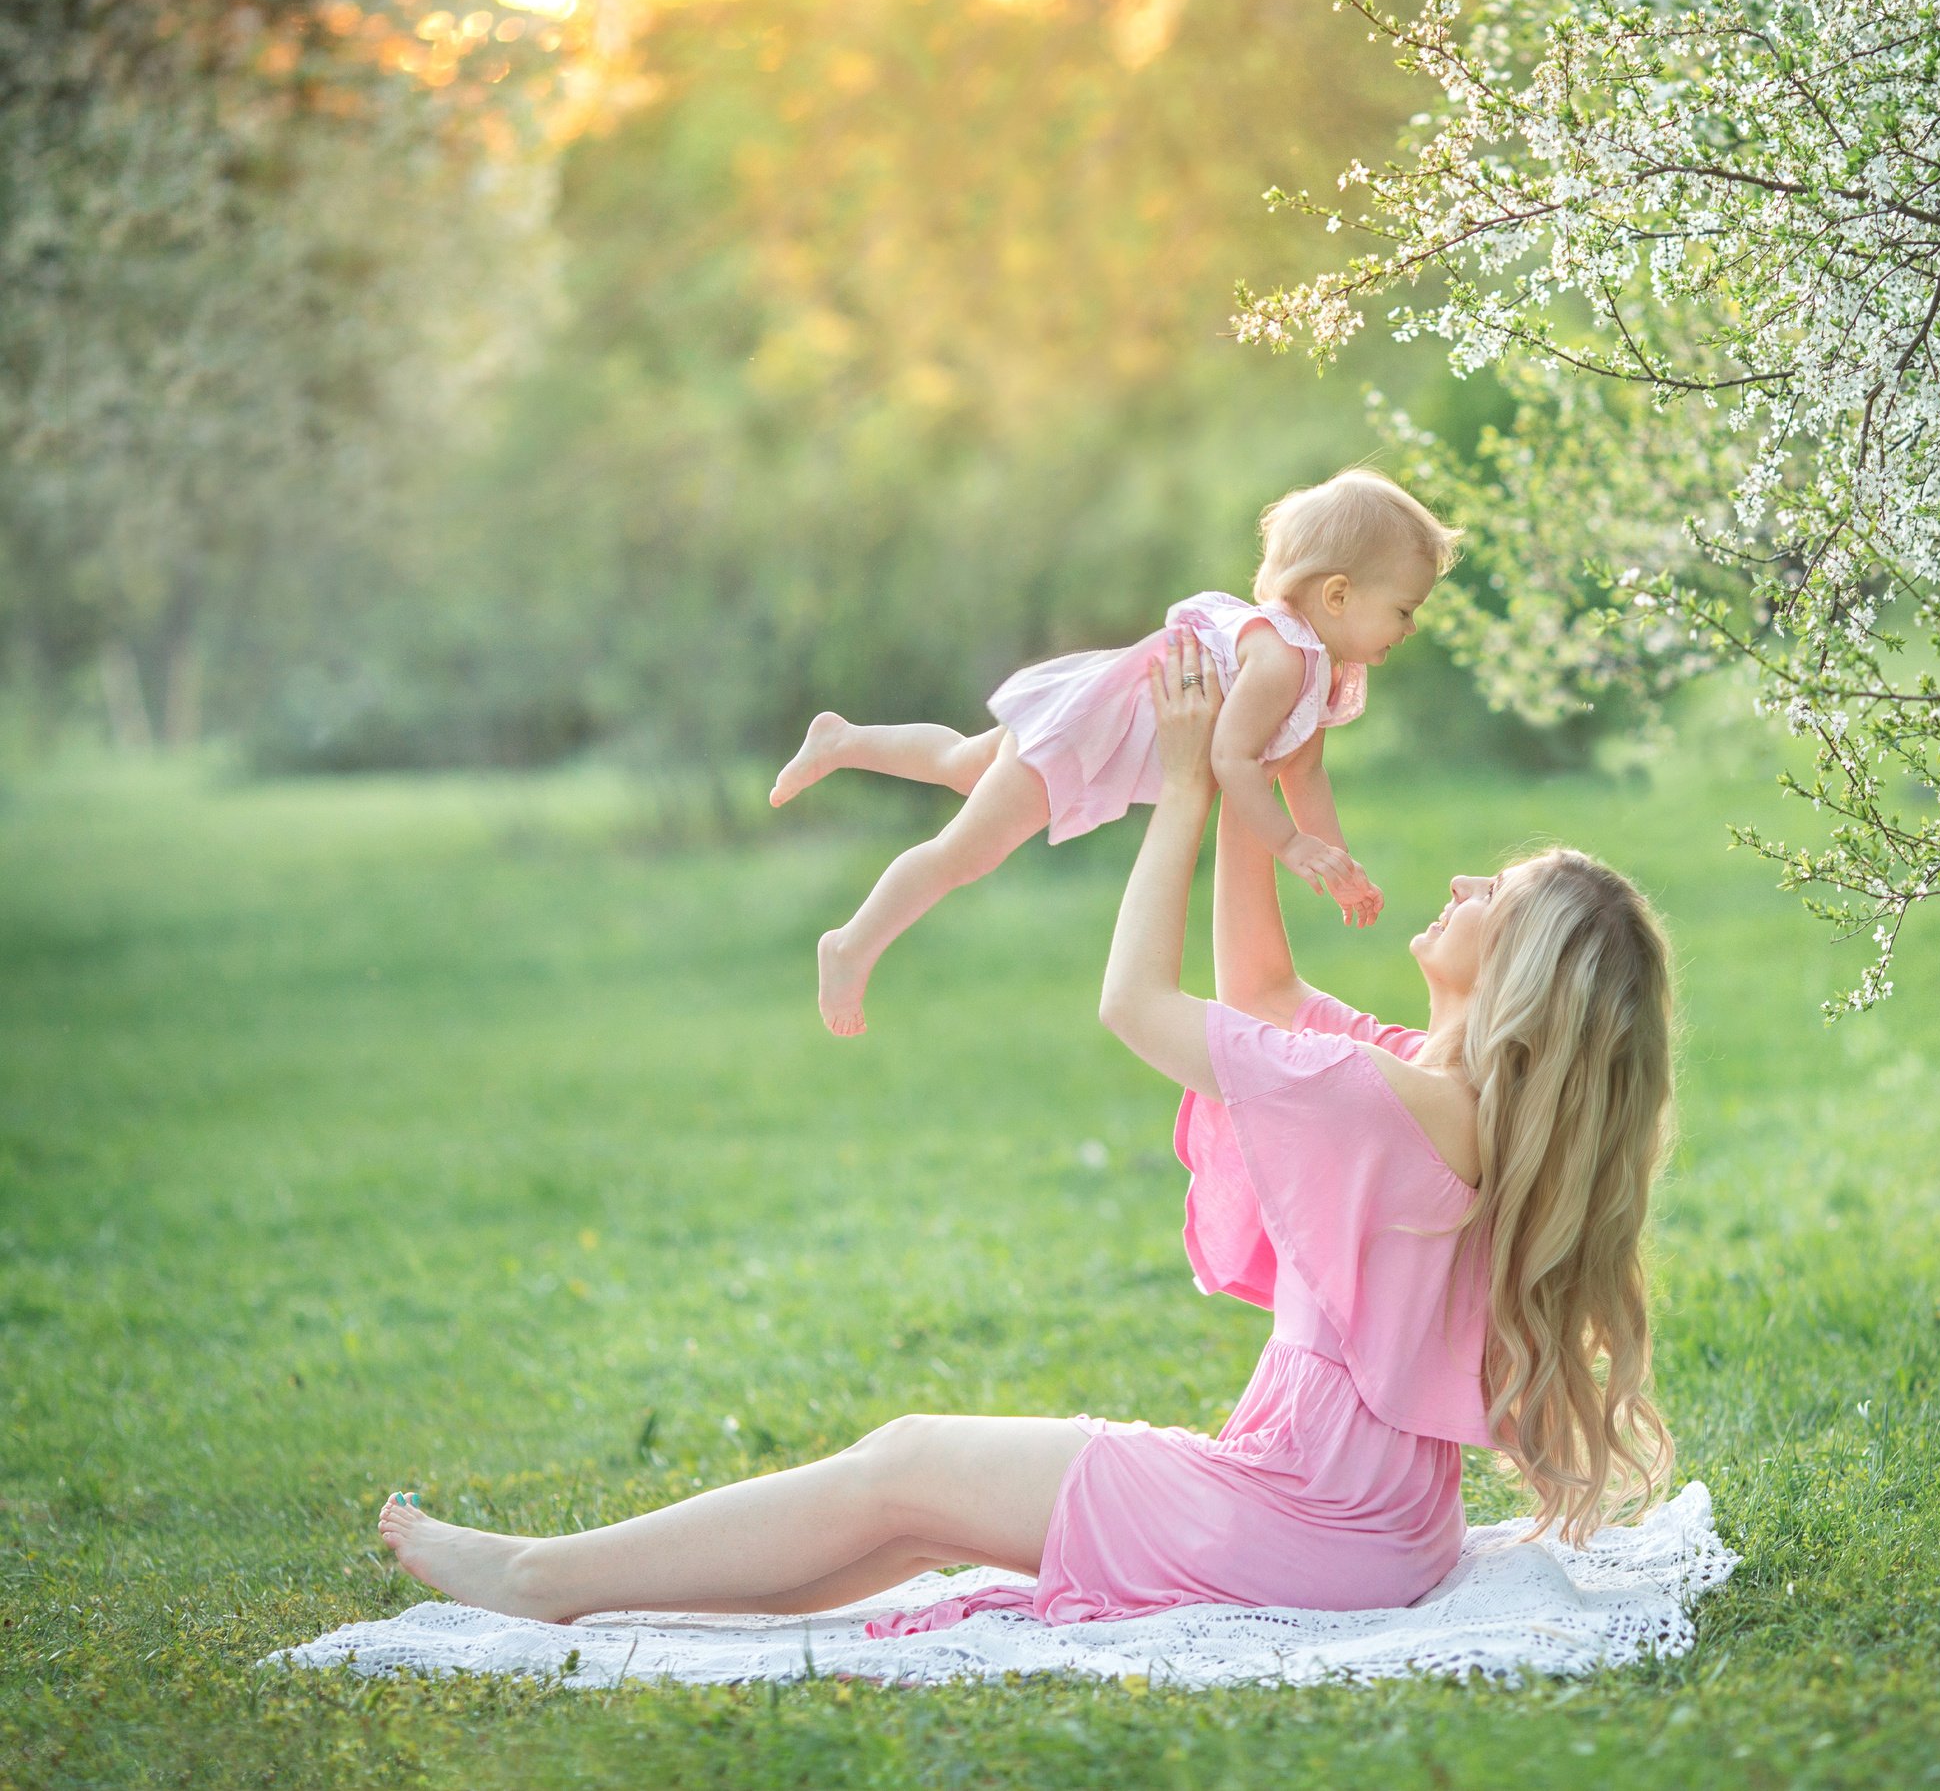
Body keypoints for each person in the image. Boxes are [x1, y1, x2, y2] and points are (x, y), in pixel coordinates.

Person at [373, 632, 1676, 1625]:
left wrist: (1175, 796)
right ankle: (585, 1593)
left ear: (1519, 982)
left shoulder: (1390, 1103)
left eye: (1492, 894)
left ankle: (539, 1578)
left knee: (908, 1464)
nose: (1461, 883)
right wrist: (1241, 765)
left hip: (1311, 1520)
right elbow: (1264, 995)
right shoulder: (1427, 1094)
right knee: (904, 1507)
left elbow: (1139, 1004)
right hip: (1363, 1522)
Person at [769, 466, 1460, 1036]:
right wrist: (1289, 846)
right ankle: (852, 943)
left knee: (961, 764)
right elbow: (1230, 760)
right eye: (1403, 609)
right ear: (1338, 594)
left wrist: (1334, 858)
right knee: (966, 850)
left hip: (1099, 719)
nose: (1411, 625)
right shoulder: (1280, 656)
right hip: (1089, 737)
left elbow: (1305, 772)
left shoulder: (1324, 671)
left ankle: (844, 739)